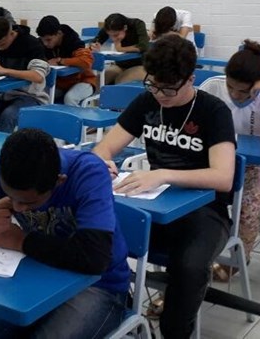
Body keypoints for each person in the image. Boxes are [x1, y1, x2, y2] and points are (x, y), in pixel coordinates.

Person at [93, 35, 235, 339]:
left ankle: (174, 333)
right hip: (157, 206)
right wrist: (103, 163)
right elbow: (104, 148)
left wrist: (163, 175)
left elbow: (223, 177)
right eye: (153, 85)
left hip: (206, 211)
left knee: (189, 267)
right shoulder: (147, 101)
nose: (160, 95)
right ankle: (120, 316)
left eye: (169, 88)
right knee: (98, 238)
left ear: (190, 79)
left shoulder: (213, 111)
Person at [0, 129, 131, 338]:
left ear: (59, 181)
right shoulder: (4, 167)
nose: (17, 207)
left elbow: (95, 258)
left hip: (99, 285)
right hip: (36, 274)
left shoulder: (88, 173)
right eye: (9, 196)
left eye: (28, 202)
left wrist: (22, 242)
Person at [199, 41, 260, 282]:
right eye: (231, 87)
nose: (235, 95)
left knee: (246, 207)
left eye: (243, 91)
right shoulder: (213, 86)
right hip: (221, 163)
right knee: (197, 201)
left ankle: (239, 259)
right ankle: (201, 254)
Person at [0, 17, 50, 133]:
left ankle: (2, 145)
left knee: (8, 116)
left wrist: (5, 70)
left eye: (3, 44)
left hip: (28, 96)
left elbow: (38, 76)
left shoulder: (31, 44)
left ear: (11, 33)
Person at [36, 15, 97, 106]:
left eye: (49, 40)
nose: (45, 44)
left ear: (59, 33)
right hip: (60, 84)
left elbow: (86, 62)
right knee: (40, 96)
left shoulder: (74, 42)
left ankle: (75, 116)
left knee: (70, 98)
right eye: (43, 40)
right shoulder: (41, 44)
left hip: (83, 81)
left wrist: (60, 61)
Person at [91, 12, 150, 84]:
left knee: (120, 81)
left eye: (116, 35)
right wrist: (95, 45)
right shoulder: (110, 27)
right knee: (99, 81)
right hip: (121, 65)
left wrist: (121, 49)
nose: (113, 39)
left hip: (140, 65)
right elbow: (97, 39)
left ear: (125, 28)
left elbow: (143, 46)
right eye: (110, 35)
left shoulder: (138, 24)